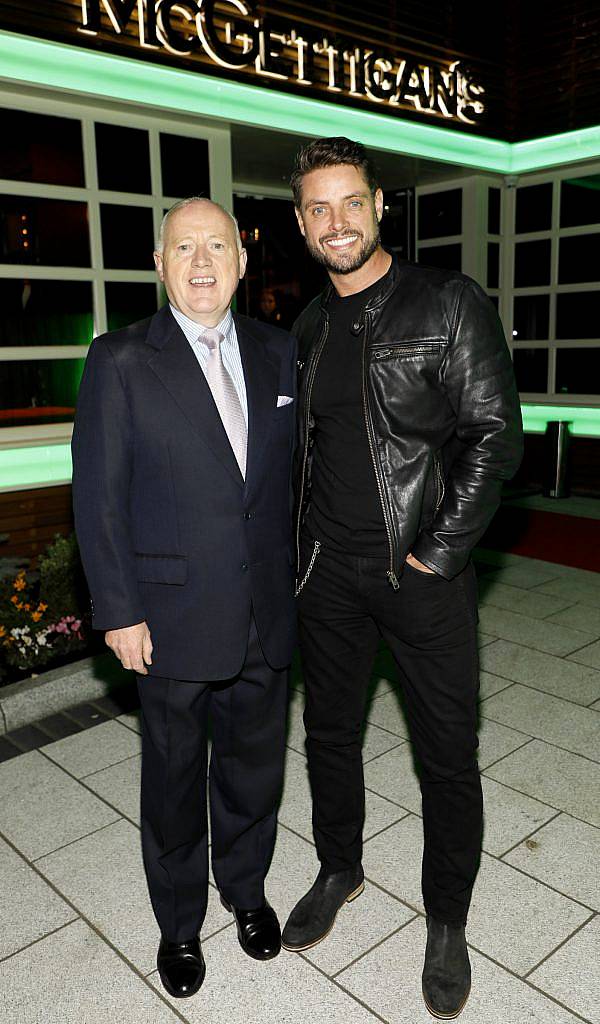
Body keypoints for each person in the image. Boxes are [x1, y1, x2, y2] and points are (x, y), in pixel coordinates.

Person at [282, 138, 523, 1020]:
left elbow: (496, 433)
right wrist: (298, 560)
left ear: (379, 204)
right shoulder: (308, 327)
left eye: (351, 202)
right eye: (318, 207)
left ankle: (448, 920)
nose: (336, 221)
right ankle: (339, 865)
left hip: (422, 576)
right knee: (330, 737)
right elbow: (307, 455)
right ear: (301, 223)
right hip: (326, 578)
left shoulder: (446, 301)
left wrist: (438, 552)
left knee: (447, 758)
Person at [71, 197, 297, 1000]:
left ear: (242, 261)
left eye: (218, 246)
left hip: (266, 615)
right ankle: (179, 924)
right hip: (165, 620)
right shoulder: (121, 360)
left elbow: (290, 487)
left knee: (254, 770)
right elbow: (98, 497)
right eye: (184, 248)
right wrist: (119, 610)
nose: (202, 262)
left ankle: (246, 891)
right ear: (160, 266)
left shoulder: (280, 353)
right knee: (172, 783)